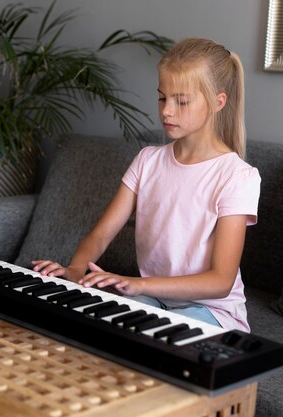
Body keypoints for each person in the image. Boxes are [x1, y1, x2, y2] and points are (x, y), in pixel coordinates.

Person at [31, 38, 260, 332]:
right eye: (162, 98)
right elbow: (101, 234)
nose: (166, 110)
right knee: (78, 318)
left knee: (137, 342)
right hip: (154, 301)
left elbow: (220, 281)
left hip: (213, 314)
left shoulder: (237, 176)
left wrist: (138, 284)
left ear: (218, 102)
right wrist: (75, 269)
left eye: (182, 101)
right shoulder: (147, 160)